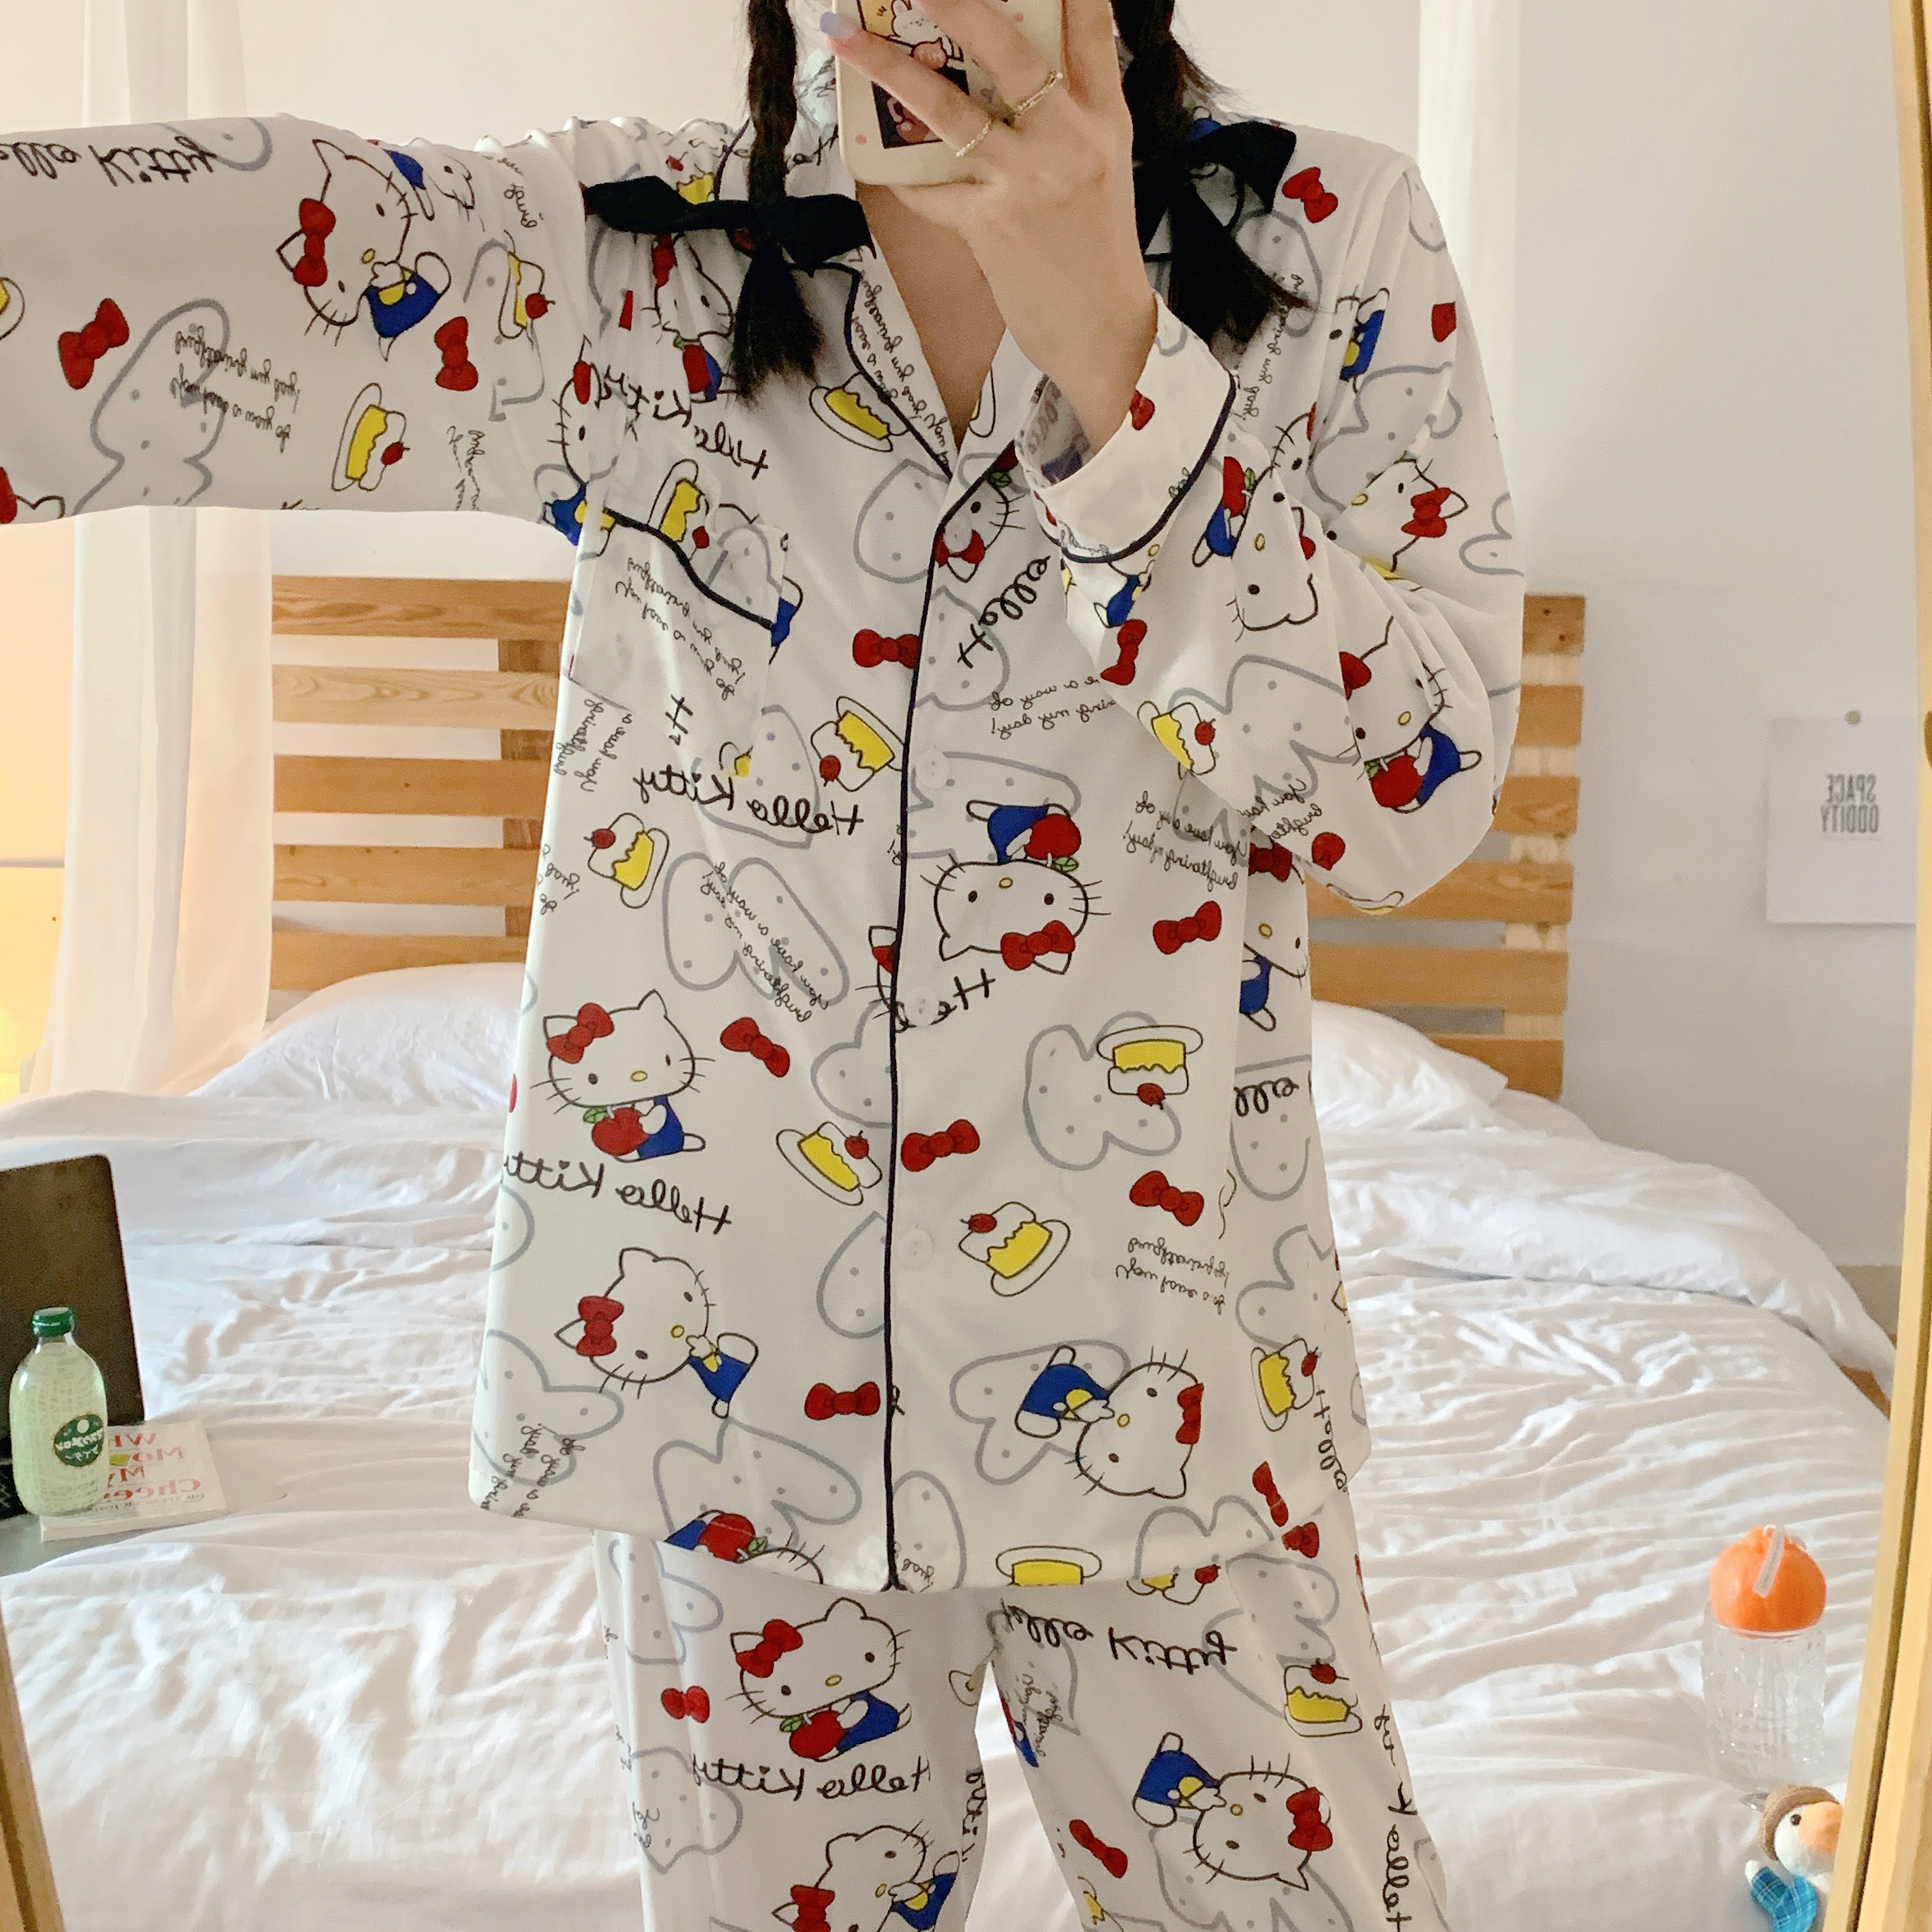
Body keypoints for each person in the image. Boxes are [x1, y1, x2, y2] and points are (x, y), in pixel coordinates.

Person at [0, 1, 1520, 1922]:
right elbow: (213, 257)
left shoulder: (1329, 246)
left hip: (1175, 1395)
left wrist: (1115, 355)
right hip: (732, 1400)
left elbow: (1409, 798)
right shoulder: (636, 263)